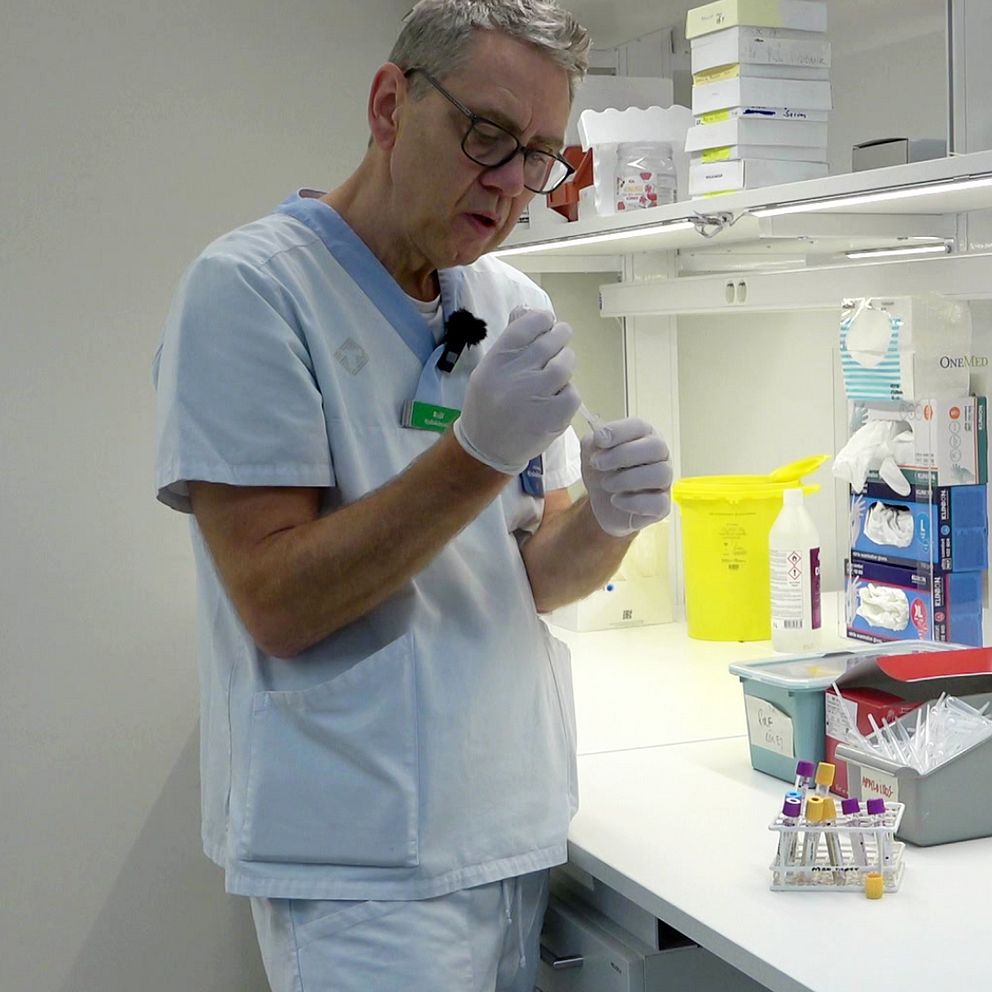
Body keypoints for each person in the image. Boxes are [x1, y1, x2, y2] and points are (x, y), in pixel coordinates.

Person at [153, 2, 673, 989]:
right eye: (487, 134)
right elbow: (275, 600)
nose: (511, 182)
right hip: (357, 862)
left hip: (510, 826)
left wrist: (611, 517)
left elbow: (534, 572)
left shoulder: (509, 302)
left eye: (539, 155)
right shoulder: (253, 292)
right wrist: (475, 451)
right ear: (390, 105)